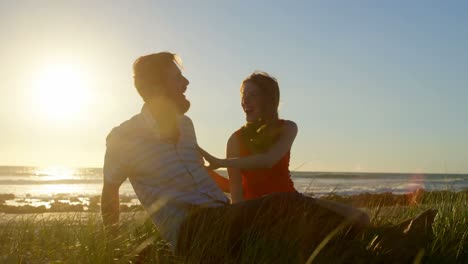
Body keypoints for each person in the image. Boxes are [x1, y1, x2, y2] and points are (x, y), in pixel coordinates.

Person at [101, 52, 370, 261]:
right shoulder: (123, 137)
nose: (186, 83)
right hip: (192, 232)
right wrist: (112, 245)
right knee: (286, 205)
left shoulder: (186, 125)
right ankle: (369, 244)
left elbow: (199, 177)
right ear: (158, 86)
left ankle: (368, 245)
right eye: (177, 78)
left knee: (303, 230)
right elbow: (110, 191)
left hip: (224, 216)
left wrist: (231, 196)